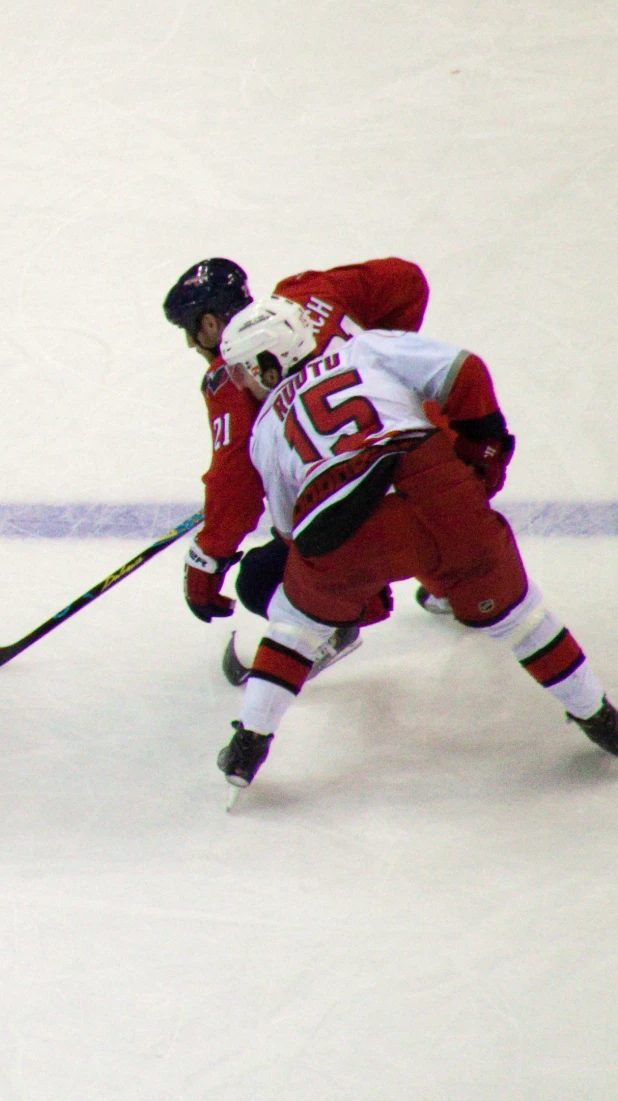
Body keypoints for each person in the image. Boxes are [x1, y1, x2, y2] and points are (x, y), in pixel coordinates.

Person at [211, 297, 618, 790]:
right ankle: (598, 715)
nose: (242, 384)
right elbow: (463, 370)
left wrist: (345, 594)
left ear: (266, 360)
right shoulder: (365, 348)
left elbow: (289, 533)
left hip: (339, 525)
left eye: (242, 372)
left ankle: (249, 743)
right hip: (435, 487)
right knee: (522, 619)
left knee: (293, 628)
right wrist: (481, 449)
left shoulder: (264, 432)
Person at [161, 256, 435, 682]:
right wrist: (389, 361)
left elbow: (236, 489)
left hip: (364, 495)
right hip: (441, 453)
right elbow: (407, 281)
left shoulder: (230, 376)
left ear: (212, 324)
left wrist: (206, 561)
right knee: (443, 516)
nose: (191, 344)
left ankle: (333, 622)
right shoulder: (310, 293)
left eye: (190, 329)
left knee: (261, 575)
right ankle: (460, 583)